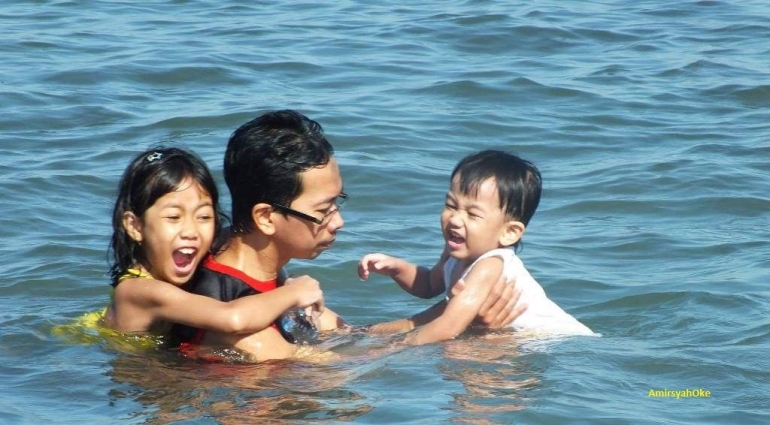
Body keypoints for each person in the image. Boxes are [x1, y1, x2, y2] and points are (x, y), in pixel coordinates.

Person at [172, 111, 525, 362]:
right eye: (324, 209)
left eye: (338, 202)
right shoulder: (234, 316)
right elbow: (342, 371)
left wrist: (458, 316)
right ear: (266, 217)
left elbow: (357, 337)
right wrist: (462, 332)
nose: (338, 221)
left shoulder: (268, 283)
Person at [358, 149, 595, 345]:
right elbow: (429, 285)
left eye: (472, 214)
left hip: (559, 340)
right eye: (451, 205)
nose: (455, 219)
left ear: (509, 232)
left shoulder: (490, 265)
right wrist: (396, 268)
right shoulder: (455, 253)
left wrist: (392, 348)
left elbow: (448, 326)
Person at [100, 147, 326, 339]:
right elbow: (232, 318)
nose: (191, 231)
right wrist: (293, 293)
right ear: (134, 226)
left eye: (204, 217)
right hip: (138, 378)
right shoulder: (138, 291)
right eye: (173, 217)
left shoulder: (193, 258)